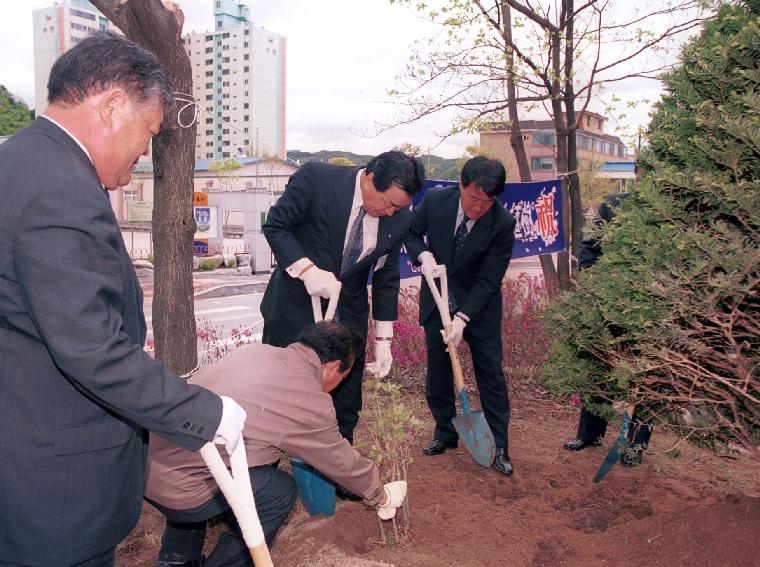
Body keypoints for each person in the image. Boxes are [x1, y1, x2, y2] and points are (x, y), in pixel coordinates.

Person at [0, 31, 246, 566]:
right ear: (112, 106)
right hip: (55, 494)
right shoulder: (60, 190)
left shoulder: (15, 163)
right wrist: (203, 411)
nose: (144, 151)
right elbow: (91, 347)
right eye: (148, 131)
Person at [145, 322, 408, 567]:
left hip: (148, 466)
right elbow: (340, 460)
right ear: (332, 366)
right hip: (182, 490)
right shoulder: (308, 400)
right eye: (344, 376)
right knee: (278, 491)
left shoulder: (257, 352)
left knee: (203, 461)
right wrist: (381, 494)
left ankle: (176, 560)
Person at [259, 151, 424, 498]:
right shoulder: (317, 179)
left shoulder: (399, 217)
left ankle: (337, 476)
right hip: (294, 308)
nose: (391, 213)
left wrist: (384, 337)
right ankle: (259, 477)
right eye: (388, 203)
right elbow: (276, 225)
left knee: (344, 400)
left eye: (399, 207)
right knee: (276, 396)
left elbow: (386, 275)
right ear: (369, 178)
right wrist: (307, 270)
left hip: (346, 316)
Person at [405, 156, 516, 476]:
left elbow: (489, 278)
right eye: (474, 198)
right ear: (461, 186)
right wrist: (422, 255)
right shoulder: (437, 200)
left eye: (488, 201)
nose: (479, 207)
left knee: (491, 375)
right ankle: (444, 431)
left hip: (478, 309)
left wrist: (464, 318)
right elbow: (411, 232)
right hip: (437, 301)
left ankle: (499, 445)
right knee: (438, 372)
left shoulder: (502, 223)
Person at [563, 192, 652, 466]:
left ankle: (634, 445)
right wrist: (593, 284)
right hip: (608, 304)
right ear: (638, 173)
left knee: (646, 378)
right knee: (599, 369)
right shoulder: (613, 205)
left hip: (648, 310)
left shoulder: (667, 212)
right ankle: (590, 434)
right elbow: (590, 247)